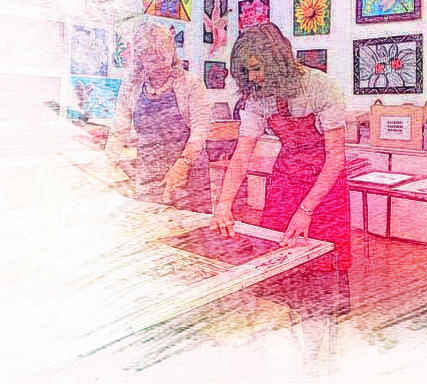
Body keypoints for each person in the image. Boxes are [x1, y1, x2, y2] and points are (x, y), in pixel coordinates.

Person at [210, 22, 351, 315]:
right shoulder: (257, 96)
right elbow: (242, 155)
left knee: (322, 268)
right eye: (246, 71)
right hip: (286, 181)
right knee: (278, 260)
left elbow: (336, 157)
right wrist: (224, 204)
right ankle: (282, 324)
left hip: (324, 186)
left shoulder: (321, 86)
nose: (253, 77)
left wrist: (306, 209)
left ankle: (320, 327)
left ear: (277, 60)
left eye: (257, 68)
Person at [106, 21, 211, 210]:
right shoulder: (131, 86)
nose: (162, 65)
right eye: (153, 61)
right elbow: (119, 130)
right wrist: (109, 164)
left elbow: (200, 131)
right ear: (140, 60)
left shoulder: (191, 84)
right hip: (149, 173)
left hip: (189, 174)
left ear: (172, 52)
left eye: (164, 57)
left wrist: (184, 163)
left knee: (191, 225)